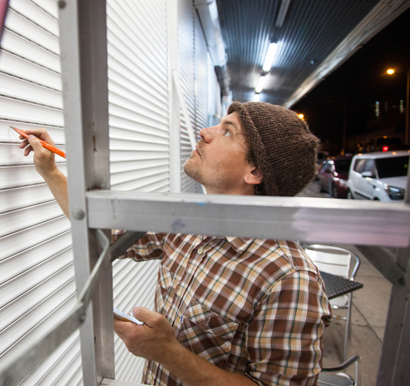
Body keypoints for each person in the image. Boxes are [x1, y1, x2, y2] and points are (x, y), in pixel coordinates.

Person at [19, 101, 332, 386]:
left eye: (226, 131)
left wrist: (169, 354)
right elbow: (106, 234)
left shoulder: (290, 279)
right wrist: (50, 171)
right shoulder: (186, 223)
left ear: (256, 171)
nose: (204, 132)